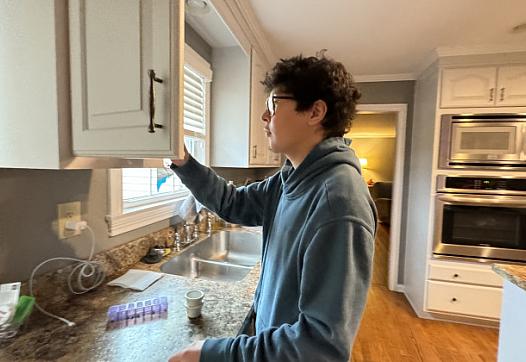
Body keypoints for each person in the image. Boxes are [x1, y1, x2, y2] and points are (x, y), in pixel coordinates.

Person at [168, 53, 376, 362]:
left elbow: (319, 347)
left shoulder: (338, 204)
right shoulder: (290, 178)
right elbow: (232, 202)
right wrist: (182, 161)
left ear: (315, 111)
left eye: (273, 105)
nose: (264, 118)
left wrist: (214, 353)